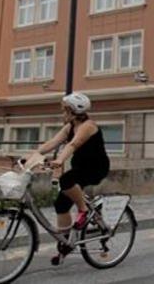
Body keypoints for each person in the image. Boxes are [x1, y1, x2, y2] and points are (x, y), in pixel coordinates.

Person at [27, 92, 111, 265]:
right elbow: (52, 143)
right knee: (61, 204)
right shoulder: (70, 126)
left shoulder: (88, 126)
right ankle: (66, 243)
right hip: (80, 168)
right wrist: (30, 157)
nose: (62, 113)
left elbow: (73, 145)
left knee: (66, 180)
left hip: (96, 168)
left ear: (73, 111)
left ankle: (83, 210)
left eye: (65, 110)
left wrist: (59, 161)